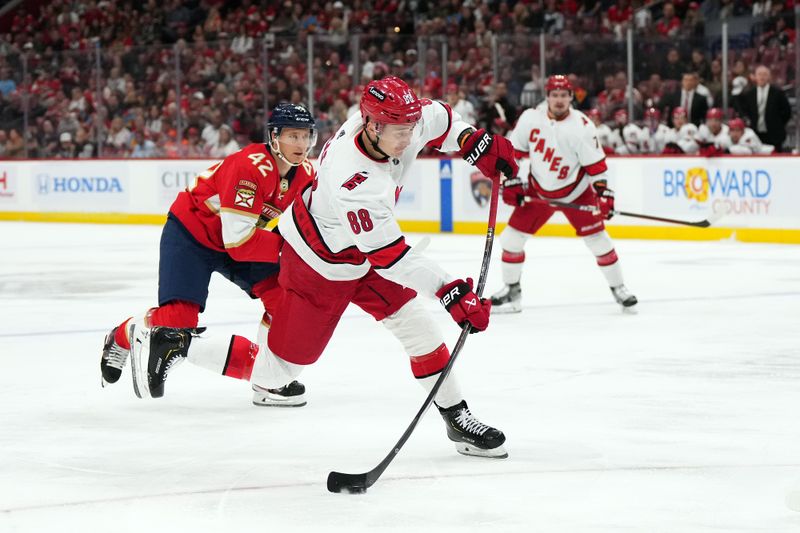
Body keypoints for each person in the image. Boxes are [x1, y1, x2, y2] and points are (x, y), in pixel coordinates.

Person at [127, 77, 519, 458]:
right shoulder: (354, 178)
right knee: (275, 375)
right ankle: (178, 343)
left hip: (362, 255)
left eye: (410, 127)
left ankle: (456, 416)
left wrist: (474, 142)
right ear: (372, 124)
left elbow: (442, 121)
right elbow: (391, 256)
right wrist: (451, 291)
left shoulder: (398, 123)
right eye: (399, 130)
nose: (408, 137)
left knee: (418, 328)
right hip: (318, 267)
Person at [100, 103, 318, 407]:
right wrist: (292, 250)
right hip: (193, 234)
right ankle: (125, 333)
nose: (301, 145)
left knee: (285, 301)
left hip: (240, 237)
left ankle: (269, 381)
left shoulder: (306, 174)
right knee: (178, 322)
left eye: (306, 136)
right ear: (274, 137)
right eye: (293, 136)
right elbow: (240, 243)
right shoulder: (249, 168)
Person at [490, 75, 638, 313]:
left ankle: (619, 289)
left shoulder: (582, 126)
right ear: (547, 97)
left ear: (571, 97)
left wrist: (603, 195)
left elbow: (596, 167)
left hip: (576, 192)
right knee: (511, 239)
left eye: (564, 96)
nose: (559, 100)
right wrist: (512, 181)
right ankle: (512, 290)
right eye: (554, 95)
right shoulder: (530, 119)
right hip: (539, 192)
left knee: (599, 241)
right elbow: (511, 153)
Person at [739, 65, 791, 151]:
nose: (762, 77)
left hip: (774, 135)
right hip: (755, 134)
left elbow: (787, 112)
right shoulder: (749, 94)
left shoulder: (778, 93)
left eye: (764, 74)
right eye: (759, 74)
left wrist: (778, 124)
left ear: (769, 77)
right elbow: (745, 111)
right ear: (755, 77)